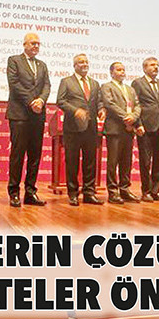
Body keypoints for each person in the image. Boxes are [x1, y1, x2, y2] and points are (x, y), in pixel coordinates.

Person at [6, 33, 50, 207]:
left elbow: (46, 85)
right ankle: (14, 193)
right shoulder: (14, 60)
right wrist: (32, 101)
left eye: (38, 44)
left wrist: (41, 100)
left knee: (35, 156)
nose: (36, 46)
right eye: (33, 43)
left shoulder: (42, 65)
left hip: (37, 116)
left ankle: (30, 193)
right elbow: (14, 84)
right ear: (24, 44)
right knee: (17, 155)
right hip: (20, 115)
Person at [56, 54, 105, 206]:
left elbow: (99, 101)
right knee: (72, 161)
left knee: (90, 161)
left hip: (91, 128)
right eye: (81, 62)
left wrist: (101, 109)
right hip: (73, 128)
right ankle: (73, 193)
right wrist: (75, 110)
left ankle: (89, 193)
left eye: (86, 62)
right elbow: (60, 101)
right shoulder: (66, 81)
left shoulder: (95, 83)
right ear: (75, 65)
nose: (84, 64)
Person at [131, 57, 159, 202]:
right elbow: (135, 105)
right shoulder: (137, 83)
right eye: (152, 65)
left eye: (157, 65)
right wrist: (138, 124)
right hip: (145, 128)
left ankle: (156, 190)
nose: (156, 67)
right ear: (144, 68)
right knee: (145, 161)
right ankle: (146, 191)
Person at [100, 62, 142, 205]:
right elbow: (109, 104)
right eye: (119, 70)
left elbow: (137, 106)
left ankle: (124, 189)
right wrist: (126, 117)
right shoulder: (107, 86)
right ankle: (113, 192)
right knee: (113, 162)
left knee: (126, 161)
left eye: (123, 70)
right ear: (111, 73)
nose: (122, 72)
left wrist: (133, 118)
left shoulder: (130, 89)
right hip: (115, 129)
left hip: (128, 130)